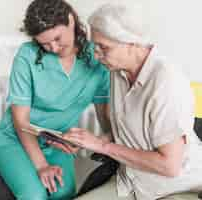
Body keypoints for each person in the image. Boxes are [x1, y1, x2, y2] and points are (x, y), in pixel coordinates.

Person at [64, 2, 202, 200]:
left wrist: (102, 146)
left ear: (133, 43)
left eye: (103, 47)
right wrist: (88, 142)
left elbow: (170, 166)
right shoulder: (118, 70)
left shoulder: (166, 83)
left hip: (175, 187)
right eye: (95, 46)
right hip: (131, 182)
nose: (96, 54)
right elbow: (128, 132)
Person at [0, 0, 111, 199]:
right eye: (44, 44)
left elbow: (104, 114)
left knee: (64, 193)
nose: (53, 47)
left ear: (71, 21)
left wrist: (102, 141)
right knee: (34, 195)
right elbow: (21, 121)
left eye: (57, 38)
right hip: (15, 140)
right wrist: (42, 166)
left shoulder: (95, 56)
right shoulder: (27, 56)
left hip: (58, 143)